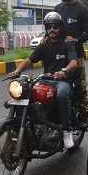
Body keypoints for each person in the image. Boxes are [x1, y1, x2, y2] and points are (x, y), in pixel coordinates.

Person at [8, 12, 78, 148]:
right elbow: (29, 60)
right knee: (24, 92)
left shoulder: (67, 43)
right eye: (49, 26)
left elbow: (74, 63)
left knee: (62, 94)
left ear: (60, 28)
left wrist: (64, 72)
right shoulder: (44, 45)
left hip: (63, 82)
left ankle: (66, 130)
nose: (52, 29)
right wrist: (17, 71)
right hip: (45, 81)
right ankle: (23, 126)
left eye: (55, 26)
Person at [54, 0, 88, 128]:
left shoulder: (82, 10)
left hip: (77, 55)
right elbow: (51, 29)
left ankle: (85, 116)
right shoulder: (57, 9)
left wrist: (75, 40)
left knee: (80, 86)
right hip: (60, 56)